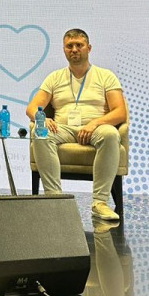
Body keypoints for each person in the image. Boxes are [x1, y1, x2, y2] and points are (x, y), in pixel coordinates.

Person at [25, 28, 127, 223]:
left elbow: (120, 112)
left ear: (89, 48)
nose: (74, 49)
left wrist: (94, 123)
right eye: (69, 46)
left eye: (79, 45)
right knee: (40, 132)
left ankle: (100, 203)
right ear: (64, 49)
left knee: (110, 134)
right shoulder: (54, 77)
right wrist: (41, 118)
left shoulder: (106, 76)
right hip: (62, 128)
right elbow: (32, 108)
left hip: (96, 128)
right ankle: (55, 200)